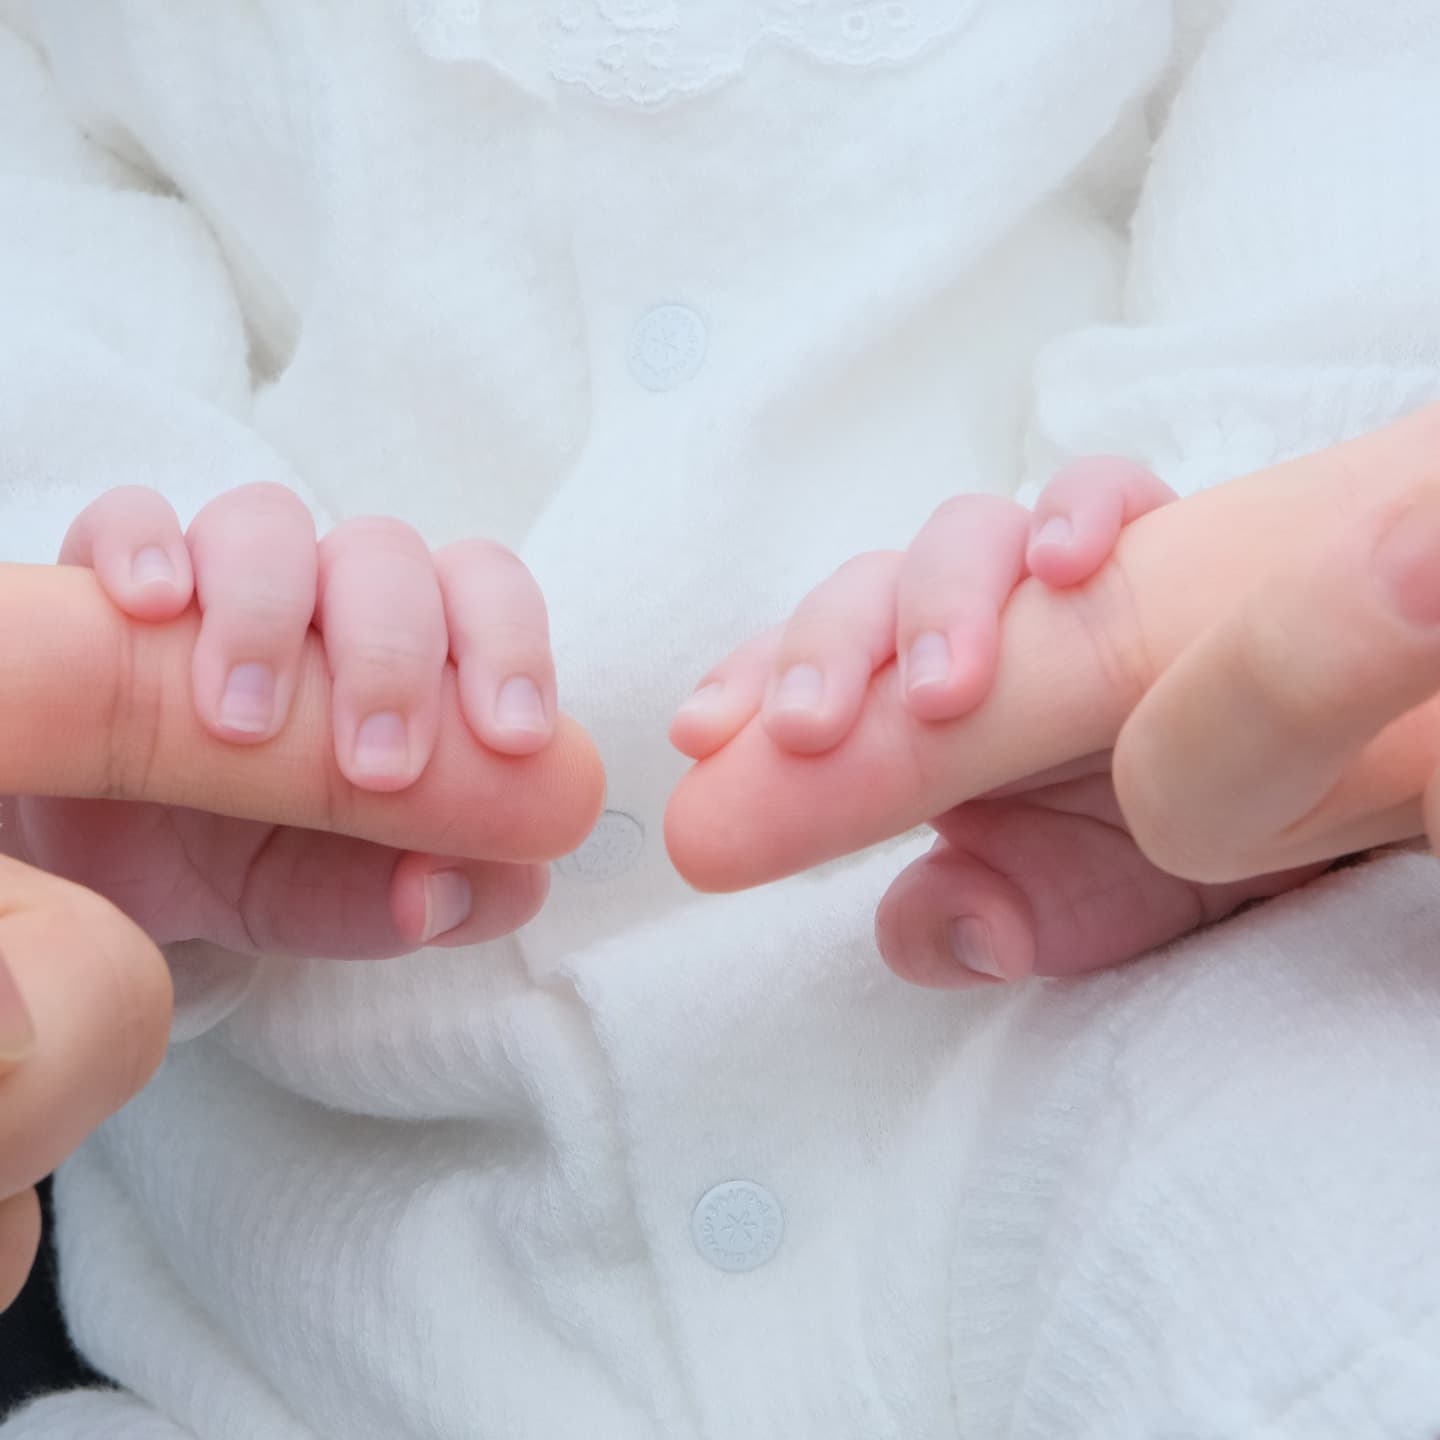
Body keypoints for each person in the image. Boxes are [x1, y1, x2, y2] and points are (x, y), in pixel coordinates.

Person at [4, 2, 1440, 1436]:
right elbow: (45, 331)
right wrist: (156, 655)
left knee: (1331, 1251)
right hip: (346, 1224)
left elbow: (1351, 170)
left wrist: (1193, 572)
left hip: (1100, 1003)